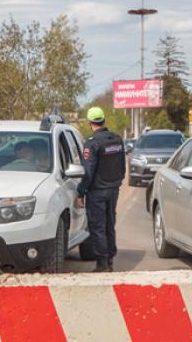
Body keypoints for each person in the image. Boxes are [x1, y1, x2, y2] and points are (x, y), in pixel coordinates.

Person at [76, 107, 126, 272]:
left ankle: (102, 263)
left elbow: (88, 171)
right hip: (113, 189)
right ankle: (110, 259)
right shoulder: (117, 139)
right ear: (103, 120)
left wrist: (81, 191)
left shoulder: (92, 143)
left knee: (97, 227)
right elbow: (122, 166)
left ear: (90, 123)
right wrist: (117, 182)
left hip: (97, 191)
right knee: (109, 224)